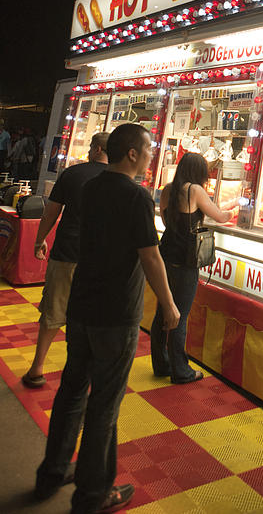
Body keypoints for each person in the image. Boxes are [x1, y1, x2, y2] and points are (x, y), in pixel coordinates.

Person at [35, 123, 180, 514]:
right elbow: (150, 255)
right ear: (132, 153)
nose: (153, 154)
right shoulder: (135, 197)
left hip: (82, 305)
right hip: (116, 313)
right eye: (149, 148)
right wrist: (168, 304)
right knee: (104, 405)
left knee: (71, 391)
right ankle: (94, 492)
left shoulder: (91, 188)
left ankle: (53, 470)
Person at [22, 132, 110, 389]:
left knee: (53, 311)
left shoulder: (72, 174)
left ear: (95, 149)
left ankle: (37, 368)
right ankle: (87, 372)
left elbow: (52, 211)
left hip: (67, 253)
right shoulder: (118, 180)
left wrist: (39, 240)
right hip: (100, 261)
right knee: (93, 318)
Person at [150, 152, 236, 383]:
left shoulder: (168, 189)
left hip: (166, 254)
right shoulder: (194, 190)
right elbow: (219, 216)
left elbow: (166, 220)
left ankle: (161, 364)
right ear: (199, 171)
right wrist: (237, 208)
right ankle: (181, 371)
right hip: (186, 260)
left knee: (163, 310)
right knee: (181, 314)